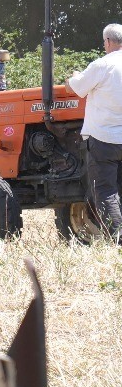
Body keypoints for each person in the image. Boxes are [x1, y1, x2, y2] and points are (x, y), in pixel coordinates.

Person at [67, 23, 122, 239]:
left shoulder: (102, 66)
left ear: (107, 42)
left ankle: (117, 239)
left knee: (106, 190)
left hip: (104, 139)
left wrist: (72, 77)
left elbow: (75, 87)